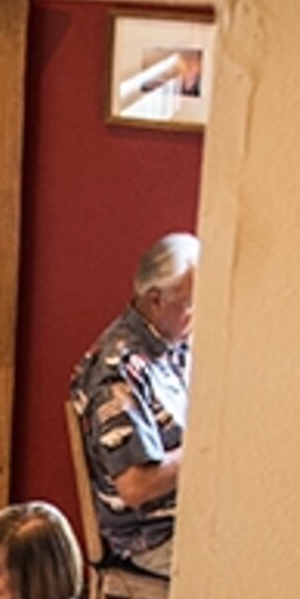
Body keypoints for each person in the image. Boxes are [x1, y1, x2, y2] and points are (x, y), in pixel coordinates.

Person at [71, 232, 197, 578]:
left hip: (192, 515)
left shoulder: (174, 342)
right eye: (192, 304)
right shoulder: (118, 373)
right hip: (151, 537)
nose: (199, 315)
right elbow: (136, 487)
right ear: (156, 299)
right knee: (261, 570)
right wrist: (207, 452)